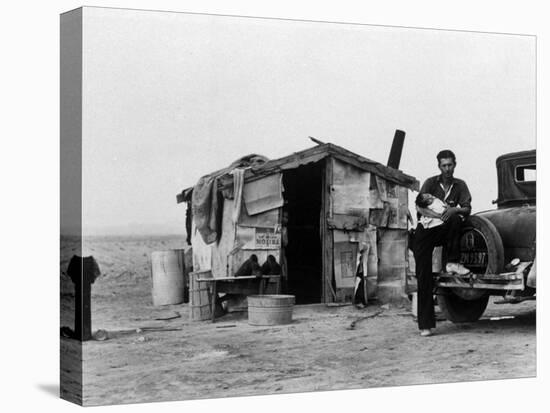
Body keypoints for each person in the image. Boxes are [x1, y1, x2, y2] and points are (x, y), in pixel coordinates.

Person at [414, 150, 472, 337]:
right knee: (423, 276)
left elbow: (467, 209)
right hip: (425, 232)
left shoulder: (460, 185)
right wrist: (438, 215)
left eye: (450, 165)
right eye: (443, 165)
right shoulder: (430, 183)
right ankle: (426, 325)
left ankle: (452, 262)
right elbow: (419, 207)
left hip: (445, 231)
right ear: (439, 166)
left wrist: (454, 210)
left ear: (455, 164)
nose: (447, 168)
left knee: (456, 218)